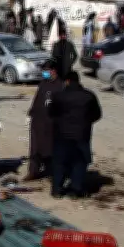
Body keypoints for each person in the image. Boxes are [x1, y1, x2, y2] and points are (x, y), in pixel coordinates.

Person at [48, 71, 102, 199]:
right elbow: (97, 114)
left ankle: (57, 189)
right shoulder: (89, 96)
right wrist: (85, 122)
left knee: (59, 162)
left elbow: (51, 113)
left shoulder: (58, 96)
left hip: (61, 135)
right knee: (79, 162)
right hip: (81, 135)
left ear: (67, 81)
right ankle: (75, 190)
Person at [24, 60, 64, 181]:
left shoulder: (60, 86)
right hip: (38, 121)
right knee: (35, 147)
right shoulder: (43, 83)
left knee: (50, 148)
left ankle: (52, 171)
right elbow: (37, 99)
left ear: (53, 70)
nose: (44, 73)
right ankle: (33, 171)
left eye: (46, 70)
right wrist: (30, 113)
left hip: (51, 123)